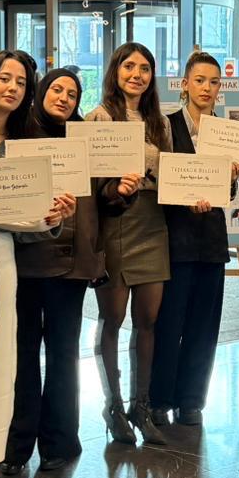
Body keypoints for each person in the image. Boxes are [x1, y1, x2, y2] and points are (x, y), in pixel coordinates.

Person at [0, 51, 73, 478]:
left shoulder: (27, 141)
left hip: (5, 258)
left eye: (20, 82)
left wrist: (53, 215)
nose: (12, 88)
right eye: (3, 79)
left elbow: (32, 215)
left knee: (1, 362)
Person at [5, 68, 103, 472]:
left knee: (64, 355)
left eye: (73, 94)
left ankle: (60, 442)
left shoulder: (84, 141)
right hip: (23, 261)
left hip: (70, 266)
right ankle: (16, 444)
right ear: (42, 91)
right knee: (22, 355)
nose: (64, 98)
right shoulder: (17, 135)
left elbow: (101, 202)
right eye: (57, 89)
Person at [148, 51, 238, 427]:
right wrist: (184, 196)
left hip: (213, 241)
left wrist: (231, 177)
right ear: (184, 84)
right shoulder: (164, 127)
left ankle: (191, 401)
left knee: (204, 327)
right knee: (170, 323)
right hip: (175, 240)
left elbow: (229, 193)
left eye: (214, 82)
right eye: (199, 80)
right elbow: (157, 182)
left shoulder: (227, 133)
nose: (206, 88)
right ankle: (159, 399)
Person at [87, 42, 171, 445]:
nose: (137, 75)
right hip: (116, 222)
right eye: (129, 66)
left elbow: (173, 173)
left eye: (145, 68)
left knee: (148, 320)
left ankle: (142, 405)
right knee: (113, 319)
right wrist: (114, 187)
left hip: (153, 223)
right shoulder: (98, 117)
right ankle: (114, 405)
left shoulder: (160, 122)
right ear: (115, 71)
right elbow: (89, 181)